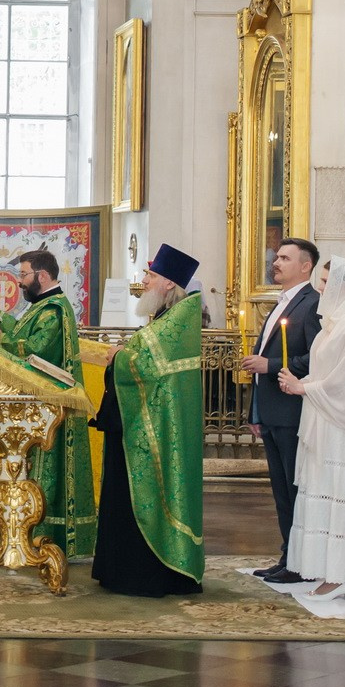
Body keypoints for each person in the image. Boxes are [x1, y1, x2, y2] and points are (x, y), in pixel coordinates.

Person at [0, 248, 97, 556]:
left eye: (23, 274)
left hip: (43, 410)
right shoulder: (44, 306)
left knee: (39, 472)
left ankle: (34, 535)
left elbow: (37, 351)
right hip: (33, 406)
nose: (20, 282)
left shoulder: (54, 310)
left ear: (42, 276)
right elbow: (23, 335)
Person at [91, 243, 204, 597]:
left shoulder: (179, 320)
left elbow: (145, 365)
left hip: (154, 426)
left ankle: (142, 574)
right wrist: (124, 354)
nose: (145, 281)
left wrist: (119, 356)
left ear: (169, 283)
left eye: (151, 275)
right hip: (139, 419)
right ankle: (120, 569)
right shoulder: (168, 317)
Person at [279, 259, 345, 601]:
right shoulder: (332, 326)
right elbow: (324, 373)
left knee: (338, 496)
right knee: (320, 493)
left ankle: (341, 577)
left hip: (339, 426)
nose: (320, 288)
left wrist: (303, 387)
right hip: (320, 421)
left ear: (344, 287)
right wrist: (298, 382)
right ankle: (326, 570)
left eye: (326, 281)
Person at [239, 236, 324, 584]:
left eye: (285, 258)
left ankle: (301, 562)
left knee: (294, 490)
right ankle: (288, 555)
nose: (276, 262)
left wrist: (270, 365)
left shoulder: (312, 304)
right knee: (281, 492)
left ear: (305, 266)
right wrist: (255, 413)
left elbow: (315, 359)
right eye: (277, 257)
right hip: (272, 413)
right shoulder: (282, 303)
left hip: (292, 413)